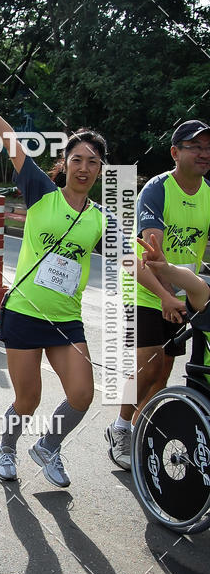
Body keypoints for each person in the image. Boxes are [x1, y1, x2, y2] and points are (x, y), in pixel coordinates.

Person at [0, 62, 175, 488]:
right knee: (28, 399)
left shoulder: (101, 219)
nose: (84, 167)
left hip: (66, 320)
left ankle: (48, 446)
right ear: (65, 164)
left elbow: (132, 262)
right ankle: (6, 448)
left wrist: (164, 295)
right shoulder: (41, 192)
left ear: (101, 170)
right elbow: (9, 138)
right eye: (77, 160)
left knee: (82, 394)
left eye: (93, 162)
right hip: (25, 312)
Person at [104, 119, 210, 470]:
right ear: (175, 152)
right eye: (196, 147)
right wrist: (165, 296)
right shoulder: (157, 189)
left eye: (208, 148)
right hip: (146, 288)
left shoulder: (209, 193)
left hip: (181, 291)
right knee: (148, 365)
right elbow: (151, 254)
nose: (204, 153)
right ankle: (120, 428)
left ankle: (140, 431)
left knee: (164, 371)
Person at [138, 232, 210, 387]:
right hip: (145, 299)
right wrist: (166, 269)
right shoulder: (205, 298)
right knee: (150, 370)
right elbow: (195, 284)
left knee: (162, 371)